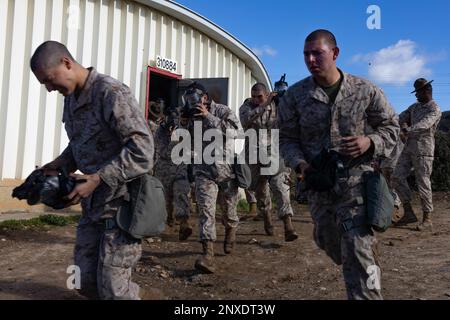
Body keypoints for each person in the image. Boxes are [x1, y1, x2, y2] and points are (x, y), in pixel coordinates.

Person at [278, 29, 399, 299]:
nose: (310, 59)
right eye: (306, 54)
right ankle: (356, 257)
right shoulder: (294, 97)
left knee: (358, 248)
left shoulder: (365, 90)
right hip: (319, 187)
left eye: (317, 53)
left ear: (335, 53)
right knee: (330, 241)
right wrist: (300, 165)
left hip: (357, 184)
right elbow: (286, 139)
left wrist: (370, 142)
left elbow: (392, 126)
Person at [30, 41, 154, 300]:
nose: (50, 89)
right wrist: (56, 167)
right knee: (82, 281)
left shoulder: (111, 93)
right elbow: (78, 147)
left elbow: (143, 150)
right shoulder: (71, 99)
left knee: (113, 290)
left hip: (121, 208)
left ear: (66, 63)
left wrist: (98, 178)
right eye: (45, 84)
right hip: (91, 209)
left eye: (50, 81)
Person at [180, 82, 241, 274]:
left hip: (226, 172)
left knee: (229, 212)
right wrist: (183, 124)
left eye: (195, 99)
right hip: (203, 171)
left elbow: (235, 132)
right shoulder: (191, 116)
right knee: (206, 211)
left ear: (205, 97)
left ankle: (230, 230)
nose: (192, 102)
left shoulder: (223, 111)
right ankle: (208, 254)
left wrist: (209, 117)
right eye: (188, 99)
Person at [239, 83, 298, 241]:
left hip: (273, 150)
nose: (256, 99)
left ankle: (288, 225)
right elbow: (246, 120)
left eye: (260, 97)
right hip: (253, 152)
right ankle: (267, 218)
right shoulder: (246, 107)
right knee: (261, 190)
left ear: (267, 94)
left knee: (280, 186)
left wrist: (283, 101)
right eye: (254, 96)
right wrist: (265, 104)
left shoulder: (277, 106)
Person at [392, 78, 442, 231]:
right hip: (409, 149)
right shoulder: (414, 107)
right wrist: (401, 124)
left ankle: (427, 218)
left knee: (423, 183)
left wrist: (407, 129)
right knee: (396, 176)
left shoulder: (435, 109)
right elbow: (400, 118)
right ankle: (408, 213)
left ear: (426, 91)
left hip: (424, 151)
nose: (416, 96)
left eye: (418, 92)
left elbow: (425, 125)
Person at [154, 107, 192, 239]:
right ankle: (169, 218)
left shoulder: (185, 129)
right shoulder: (159, 132)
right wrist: (172, 140)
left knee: (181, 194)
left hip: (179, 168)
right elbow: (161, 152)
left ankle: (184, 224)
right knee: (166, 200)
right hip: (163, 169)